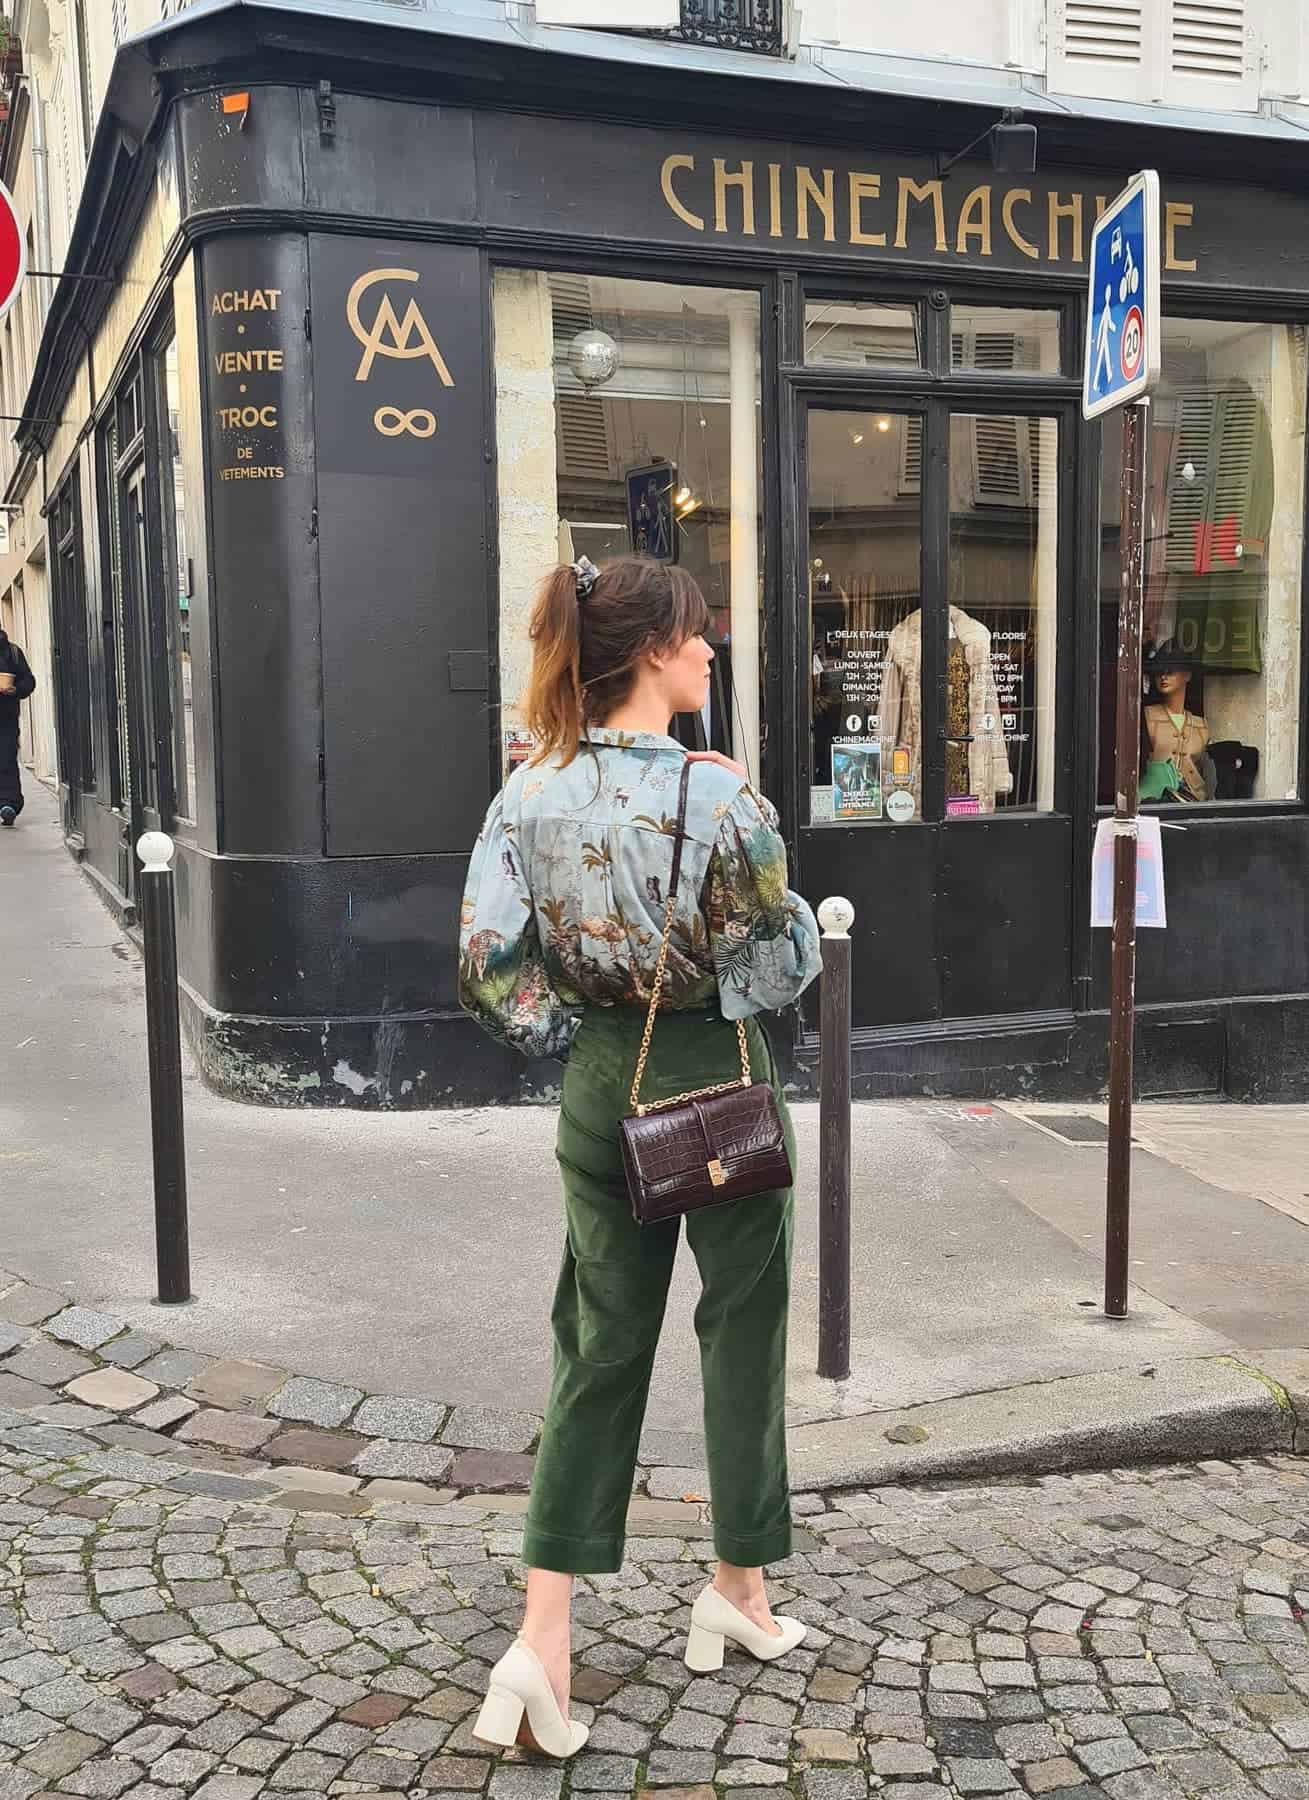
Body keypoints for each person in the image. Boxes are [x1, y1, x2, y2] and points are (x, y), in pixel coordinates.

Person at [458, 555, 822, 1760]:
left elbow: (486, 965)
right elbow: (778, 971)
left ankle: (543, 1635)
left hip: (598, 1083)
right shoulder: (720, 800)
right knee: (745, 1321)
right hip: (714, 1075)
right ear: (653, 651)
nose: (712, 651)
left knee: (598, 1339)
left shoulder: (528, 792)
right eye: (699, 635)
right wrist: (755, 839)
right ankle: (738, 1585)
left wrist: (577, 1032)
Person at [0, 626, 36, 827]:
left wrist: (15, 690)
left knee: (6, 761)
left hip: (6, 718)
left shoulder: (12, 652)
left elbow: (29, 681)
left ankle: (9, 805)